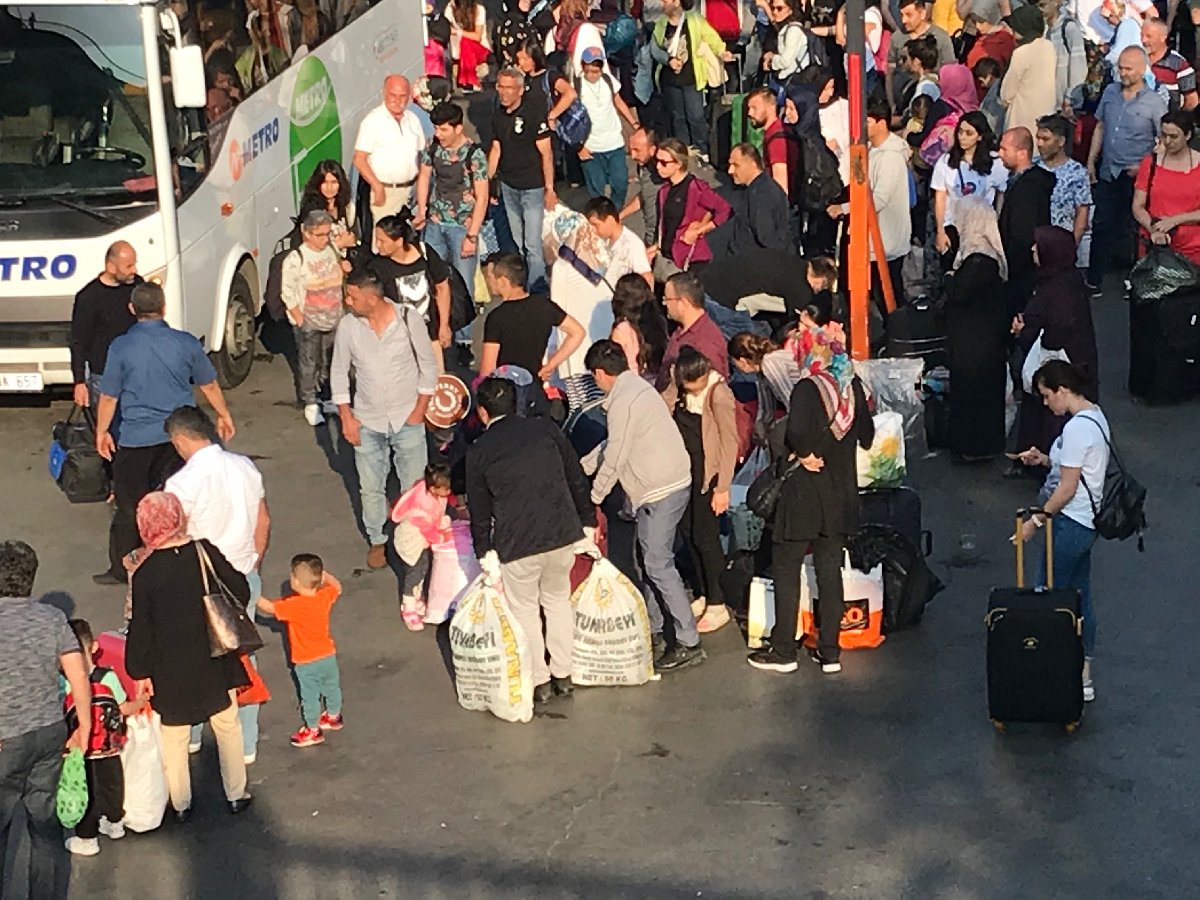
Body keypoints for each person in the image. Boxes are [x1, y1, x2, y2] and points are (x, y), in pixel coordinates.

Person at [746, 322, 873, 675]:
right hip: (841, 494)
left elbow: (798, 431)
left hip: (803, 494)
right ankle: (830, 652)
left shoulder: (807, 386)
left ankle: (784, 650)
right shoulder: (851, 386)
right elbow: (866, 435)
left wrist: (803, 453)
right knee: (830, 572)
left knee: (786, 569)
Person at [92, 282, 234, 586]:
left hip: (136, 437)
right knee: (181, 500)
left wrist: (102, 431)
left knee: (129, 505)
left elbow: (109, 396)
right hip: (178, 438)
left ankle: (123, 568)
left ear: (132, 309)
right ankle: (185, 559)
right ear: (164, 307)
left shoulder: (121, 347)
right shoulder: (185, 343)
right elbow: (208, 384)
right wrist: (223, 414)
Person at [124, 492, 254, 821]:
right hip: (214, 655)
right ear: (177, 517)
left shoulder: (145, 574)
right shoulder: (203, 552)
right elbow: (240, 589)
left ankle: (181, 803)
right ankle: (235, 793)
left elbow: (141, 628)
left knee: (175, 735)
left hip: (169, 667)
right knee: (227, 724)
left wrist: (140, 671)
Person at [467, 378, 597, 702]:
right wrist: (588, 521)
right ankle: (563, 673)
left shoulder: (479, 451)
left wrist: (484, 551)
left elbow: (479, 510)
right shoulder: (547, 430)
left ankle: (539, 680)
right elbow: (576, 477)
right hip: (561, 533)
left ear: (482, 412)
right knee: (557, 602)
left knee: (525, 609)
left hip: (517, 544)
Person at [582, 340, 704, 672]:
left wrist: (593, 497)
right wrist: (584, 465)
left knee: (657, 563)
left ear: (600, 373)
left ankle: (688, 640)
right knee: (650, 559)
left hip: (659, 489)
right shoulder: (636, 389)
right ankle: (655, 628)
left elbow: (616, 455)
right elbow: (615, 444)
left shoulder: (622, 402)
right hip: (672, 481)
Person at [161, 405, 270, 765]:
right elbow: (263, 521)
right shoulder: (245, 466)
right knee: (243, 657)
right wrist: (253, 562)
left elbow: (174, 539)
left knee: (194, 658)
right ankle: (247, 742)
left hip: (200, 582)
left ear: (179, 439)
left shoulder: (181, 484)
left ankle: (193, 734)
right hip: (243, 575)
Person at [1014, 360, 1110, 703]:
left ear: (1062, 390)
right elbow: (1079, 469)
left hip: (1070, 523)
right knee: (1080, 597)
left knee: (1048, 596)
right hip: (1088, 523)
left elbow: (1066, 488)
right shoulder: (1095, 417)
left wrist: (1035, 521)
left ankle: (1049, 670)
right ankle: (1083, 673)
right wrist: (1045, 460)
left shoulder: (1075, 430)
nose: (1045, 403)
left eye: (1047, 395)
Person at [0, 541, 91, 896]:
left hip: (6, 738)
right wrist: (84, 726)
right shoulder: (52, 618)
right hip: (49, 732)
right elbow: (78, 675)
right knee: (44, 827)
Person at [331, 269, 438, 570]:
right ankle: (378, 539)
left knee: (414, 485)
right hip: (367, 419)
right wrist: (346, 417)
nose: (347, 301)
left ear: (372, 298)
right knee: (370, 487)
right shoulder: (348, 326)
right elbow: (338, 372)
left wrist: (420, 409)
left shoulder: (408, 319)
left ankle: (413, 536)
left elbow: (428, 365)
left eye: (352, 296)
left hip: (407, 417)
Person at [665, 347, 738, 634]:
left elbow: (729, 442)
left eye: (695, 382)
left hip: (708, 473)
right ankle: (703, 591)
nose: (691, 388)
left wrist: (723, 488)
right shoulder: (678, 384)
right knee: (688, 532)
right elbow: (665, 405)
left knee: (706, 536)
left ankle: (718, 602)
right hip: (684, 470)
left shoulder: (718, 394)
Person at [1085, 46, 1166, 295]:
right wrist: (1091, 161)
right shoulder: (1110, 92)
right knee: (1102, 224)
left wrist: (1144, 167)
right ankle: (1094, 279)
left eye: (1128, 68)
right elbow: (1101, 127)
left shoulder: (1154, 102)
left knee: (1135, 229)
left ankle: (1135, 280)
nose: (1123, 73)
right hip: (1109, 171)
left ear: (1142, 69)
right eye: (1120, 68)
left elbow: (1164, 140)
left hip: (1136, 176)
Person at [1012, 226, 1100, 455]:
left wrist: (1025, 331)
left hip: (1062, 365)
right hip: (1075, 359)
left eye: (1038, 245)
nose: (1033, 249)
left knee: (1050, 416)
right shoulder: (1065, 279)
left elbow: (1055, 332)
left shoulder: (1057, 288)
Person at [62, 618, 146, 857]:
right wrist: (140, 702)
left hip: (80, 748)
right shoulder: (107, 677)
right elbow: (123, 708)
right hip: (110, 746)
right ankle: (114, 822)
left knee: (85, 789)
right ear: (95, 647)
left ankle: (87, 837)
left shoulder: (64, 682)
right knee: (112, 783)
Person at [943, 201, 1011, 460]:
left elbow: (959, 294)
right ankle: (988, 445)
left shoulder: (977, 260)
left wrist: (949, 276)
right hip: (989, 341)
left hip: (972, 344)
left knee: (971, 397)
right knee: (988, 396)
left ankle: (971, 448)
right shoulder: (990, 256)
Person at [830, 99, 912, 308]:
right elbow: (857, 181)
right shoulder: (867, 150)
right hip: (867, 239)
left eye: (867, 122)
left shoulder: (891, 158)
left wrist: (844, 209)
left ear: (881, 123)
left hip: (886, 242)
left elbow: (879, 199)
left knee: (888, 297)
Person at [257, 555, 344, 747]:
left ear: (296, 581)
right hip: (327, 654)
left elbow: (269, 608)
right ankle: (334, 716)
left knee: (309, 696)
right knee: (331, 687)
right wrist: (326, 576)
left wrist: (251, 592)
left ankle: (312, 729)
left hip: (306, 661)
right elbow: (337, 587)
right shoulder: (324, 596)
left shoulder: (294, 605)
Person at [489, 67, 556, 293]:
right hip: (509, 185)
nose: (504, 92)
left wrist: (549, 188)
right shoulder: (497, 113)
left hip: (532, 187)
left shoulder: (534, 112)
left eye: (509, 88)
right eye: (500, 87)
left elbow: (546, 153)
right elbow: (496, 147)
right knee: (518, 241)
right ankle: (523, 285)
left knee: (532, 244)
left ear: (520, 90)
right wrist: (489, 181)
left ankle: (538, 290)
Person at [414, 102, 489, 300]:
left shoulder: (474, 155)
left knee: (463, 284)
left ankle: (464, 320)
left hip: (462, 228)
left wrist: (472, 236)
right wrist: (421, 210)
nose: (438, 134)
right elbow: (424, 177)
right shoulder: (432, 147)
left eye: (444, 129)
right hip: (435, 224)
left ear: (458, 128)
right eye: (436, 128)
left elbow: (482, 197)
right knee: (432, 278)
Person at [282, 209, 346, 425]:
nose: (324, 239)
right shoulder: (296, 258)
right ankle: (310, 401)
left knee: (330, 361)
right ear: (306, 232)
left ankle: (327, 397)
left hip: (334, 318)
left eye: (327, 234)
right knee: (309, 363)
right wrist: (299, 318)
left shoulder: (332, 250)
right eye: (319, 235)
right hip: (309, 321)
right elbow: (287, 292)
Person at [479, 252, 585, 379]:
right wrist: (550, 365)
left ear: (502, 281)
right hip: (533, 383)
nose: (487, 282)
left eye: (489, 277)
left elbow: (487, 369)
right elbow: (578, 332)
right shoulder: (544, 306)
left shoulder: (496, 317)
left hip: (506, 386)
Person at [370, 211, 453, 365]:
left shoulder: (425, 253)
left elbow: (442, 287)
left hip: (430, 336)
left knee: (434, 377)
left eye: (382, 241)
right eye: (376, 240)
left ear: (399, 241)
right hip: (398, 341)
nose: (377, 246)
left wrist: (444, 325)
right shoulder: (377, 266)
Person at [353, 75, 427, 244]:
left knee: (408, 241)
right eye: (393, 95)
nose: (398, 101)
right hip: (386, 192)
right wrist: (377, 187)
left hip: (411, 192)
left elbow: (422, 157)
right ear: (384, 93)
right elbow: (359, 159)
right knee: (386, 242)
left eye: (402, 96)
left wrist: (420, 192)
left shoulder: (413, 119)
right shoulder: (373, 121)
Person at [650, 0, 728, 157]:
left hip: (692, 78)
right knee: (677, 118)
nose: (662, 4)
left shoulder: (694, 19)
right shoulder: (661, 24)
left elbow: (711, 36)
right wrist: (668, 60)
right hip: (670, 80)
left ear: (677, 2)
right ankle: (683, 151)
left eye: (666, 1)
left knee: (696, 117)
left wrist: (722, 51)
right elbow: (655, 49)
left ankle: (702, 151)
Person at [70, 241, 139, 410]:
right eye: (128, 266)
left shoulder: (136, 286)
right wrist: (79, 382)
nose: (135, 270)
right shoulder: (89, 297)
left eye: (134, 264)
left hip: (135, 370)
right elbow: (78, 341)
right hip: (104, 375)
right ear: (111, 267)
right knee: (106, 424)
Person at [650, 139, 732, 277]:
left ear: (678, 164)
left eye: (663, 162)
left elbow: (725, 209)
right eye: (656, 161)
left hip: (690, 258)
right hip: (667, 259)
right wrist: (656, 247)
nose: (658, 166)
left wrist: (700, 229)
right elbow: (665, 227)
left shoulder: (697, 188)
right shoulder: (664, 191)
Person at [931, 111, 1007, 255]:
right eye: (960, 132)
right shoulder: (945, 161)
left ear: (980, 136)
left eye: (969, 133)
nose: (962, 137)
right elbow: (940, 197)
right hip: (952, 225)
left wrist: (996, 224)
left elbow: (1001, 194)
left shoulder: (995, 162)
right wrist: (940, 231)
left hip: (981, 227)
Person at [390, 461, 455, 630]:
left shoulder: (431, 492)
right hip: (411, 542)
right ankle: (408, 606)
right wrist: (441, 537)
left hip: (420, 540)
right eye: (446, 489)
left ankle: (417, 597)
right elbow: (428, 531)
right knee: (414, 572)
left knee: (423, 566)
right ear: (433, 489)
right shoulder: (421, 508)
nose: (449, 492)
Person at [1132, 110, 1200, 265]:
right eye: (1164, 135)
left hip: (1194, 248)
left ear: (1187, 136)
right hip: (1156, 246)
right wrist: (1154, 230)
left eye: (1174, 136)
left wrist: (1175, 220)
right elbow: (1138, 206)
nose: (1167, 141)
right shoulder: (1150, 163)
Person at [997, 126, 1054, 313]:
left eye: (1004, 149)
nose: (999, 154)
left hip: (1022, 267)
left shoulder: (1027, 188)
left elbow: (1022, 231)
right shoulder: (1023, 181)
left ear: (1021, 153)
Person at [576, 47, 639, 205]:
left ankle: (614, 213)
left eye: (597, 71)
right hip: (591, 146)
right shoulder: (576, 86)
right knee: (596, 192)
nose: (593, 75)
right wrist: (579, 146)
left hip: (614, 143)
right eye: (589, 71)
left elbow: (618, 100)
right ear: (583, 66)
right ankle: (600, 215)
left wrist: (634, 123)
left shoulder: (607, 80)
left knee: (621, 184)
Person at [658, 271, 731, 391]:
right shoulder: (681, 331)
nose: (664, 304)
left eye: (667, 299)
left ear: (683, 303)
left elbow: (712, 391)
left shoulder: (705, 343)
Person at [886, 0, 956, 118]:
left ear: (922, 13)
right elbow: (890, 73)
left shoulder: (941, 38)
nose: (903, 20)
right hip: (900, 106)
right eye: (901, 15)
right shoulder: (896, 38)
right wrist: (892, 105)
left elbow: (950, 74)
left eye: (909, 15)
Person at [720, 143, 790, 257]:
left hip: (750, 261)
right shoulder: (760, 187)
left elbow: (767, 237)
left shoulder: (762, 195)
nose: (730, 171)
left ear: (753, 164)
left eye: (736, 165)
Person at [1036, 114, 1092, 247]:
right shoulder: (1033, 168)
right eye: (1038, 138)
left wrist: (1071, 247)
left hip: (1062, 243)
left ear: (1061, 141)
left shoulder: (1077, 172)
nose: (1039, 144)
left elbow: (1082, 214)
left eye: (1045, 139)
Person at [584, 196, 654, 288]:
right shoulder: (602, 239)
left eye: (595, 225)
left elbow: (646, 278)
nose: (592, 230)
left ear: (610, 220)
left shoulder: (632, 245)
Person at [610, 273, 670, 377]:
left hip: (633, 382)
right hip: (657, 379)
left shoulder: (622, 330)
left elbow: (615, 366)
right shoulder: (659, 321)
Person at [297, 160, 358, 259]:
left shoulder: (344, 205)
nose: (329, 188)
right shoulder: (311, 211)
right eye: (325, 182)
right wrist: (340, 244)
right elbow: (310, 248)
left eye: (334, 182)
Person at [620, 127, 664, 248]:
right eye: (631, 150)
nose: (632, 156)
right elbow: (646, 194)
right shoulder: (644, 166)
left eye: (637, 150)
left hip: (664, 238)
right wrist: (621, 215)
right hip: (650, 235)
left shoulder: (665, 173)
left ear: (652, 149)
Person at [1040, 0, 1087, 111]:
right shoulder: (1044, 31)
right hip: (1048, 104)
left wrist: (1070, 98)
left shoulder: (1069, 28)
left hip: (1065, 106)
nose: (1040, 10)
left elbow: (1079, 68)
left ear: (1055, 2)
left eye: (1043, 5)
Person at [1141, 18, 1197, 112]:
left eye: (1149, 36)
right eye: (1141, 35)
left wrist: (1177, 118)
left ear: (1163, 37)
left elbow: (1192, 101)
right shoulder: (1136, 59)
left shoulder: (1179, 64)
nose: (1143, 40)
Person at [762, 0, 814, 86]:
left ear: (790, 10)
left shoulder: (793, 31)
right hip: (787, 78)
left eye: (779, 8)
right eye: (772, 8)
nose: (775, 12)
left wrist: (770, 63)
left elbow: (785, 61)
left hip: (793, 81)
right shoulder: (786, 28)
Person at [235, 11, 288, 94]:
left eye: (268, 30)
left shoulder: (278, 53)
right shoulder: (245, 59)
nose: (268, 34)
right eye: (264, 30)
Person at [444, 0, 491, 91]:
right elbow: (446, 28)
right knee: (464, 42)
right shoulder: (450, 8)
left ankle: (469, 80)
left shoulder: (479, 9)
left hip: (479, 49)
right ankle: (467, 80)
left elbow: (477, 36)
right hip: (458, 50)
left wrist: (459, 32)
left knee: (465, 41)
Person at [964, 5, 1015, 72]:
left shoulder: (1005, 40)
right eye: (975, 22)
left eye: (982, 22)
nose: (977, 26)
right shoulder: (981, 36)